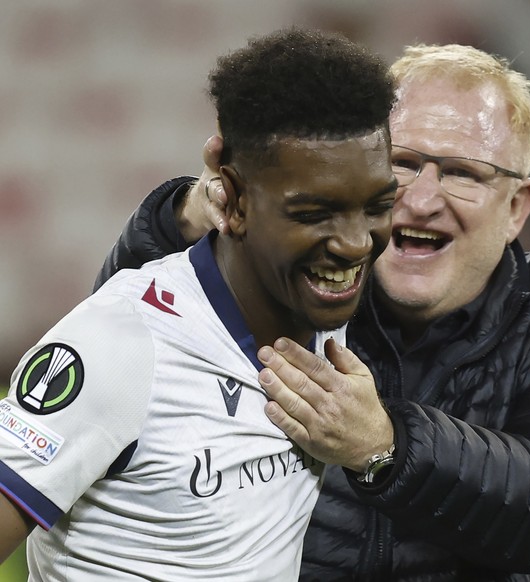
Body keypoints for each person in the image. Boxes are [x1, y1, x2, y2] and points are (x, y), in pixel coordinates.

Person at [93, 42, 530, 580]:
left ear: (516, 207)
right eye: (402, 163)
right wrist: (185, 217)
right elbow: (118, 334)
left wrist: (384, 445)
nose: (420, 200)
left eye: (463, 173)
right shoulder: (301, 281)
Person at [0, 28, 399, 580]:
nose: (356, 243)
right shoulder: (119, 346)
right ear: (231, 200)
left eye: (378, 205)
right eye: (313, 213)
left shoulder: (330, 317)